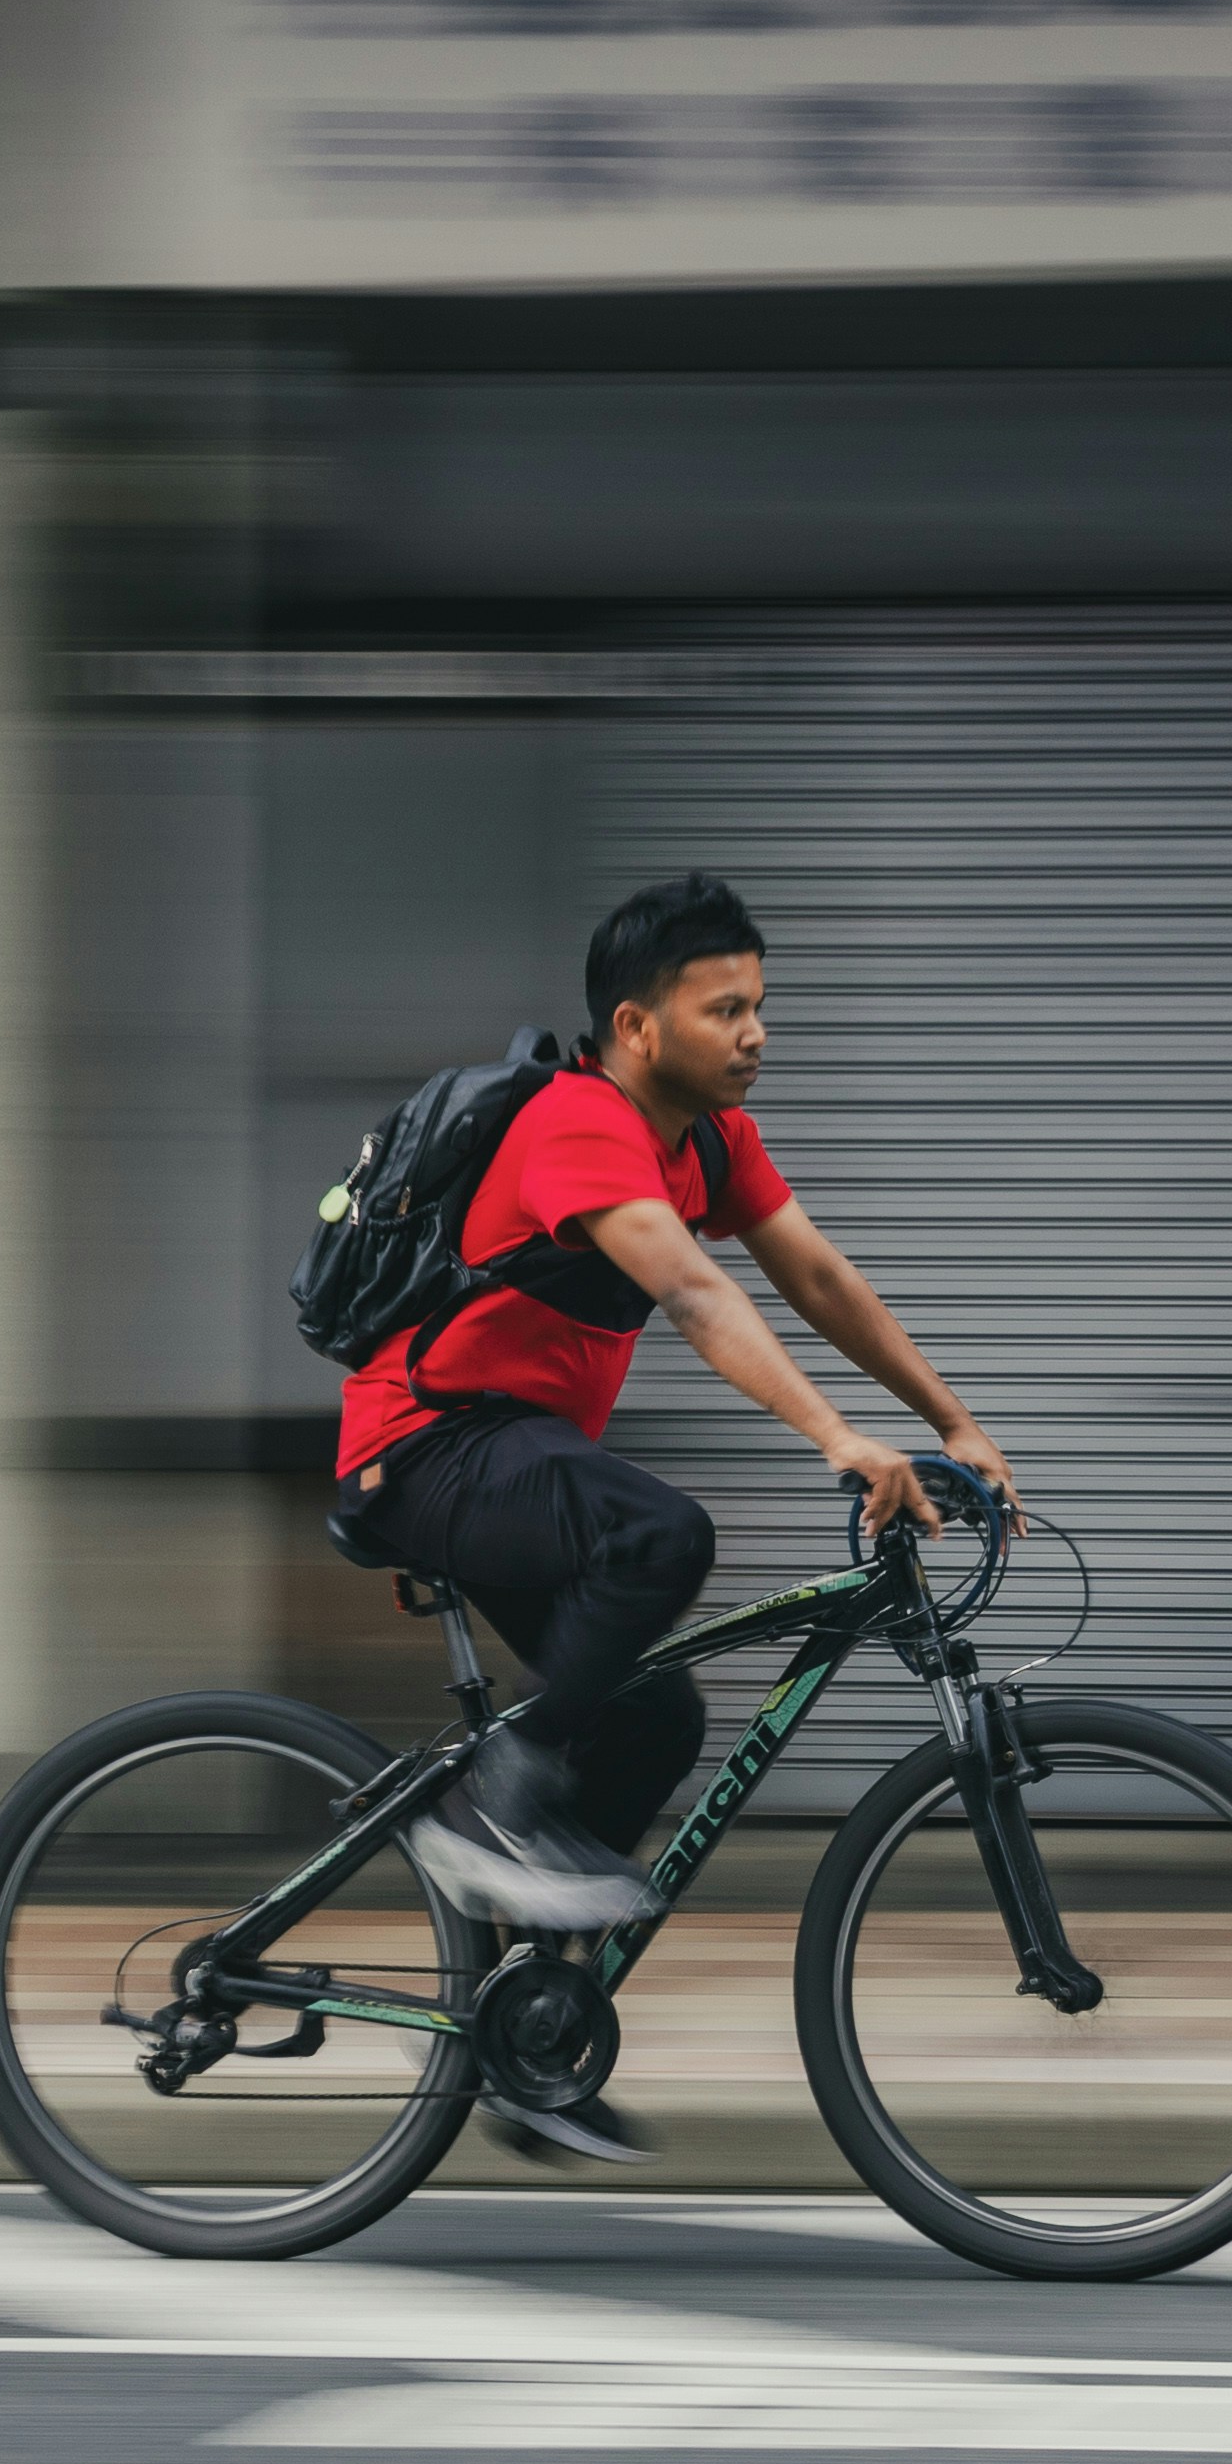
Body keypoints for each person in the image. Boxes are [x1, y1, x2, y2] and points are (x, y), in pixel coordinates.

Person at [331, 873, 1021, 2163]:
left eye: (761, 1006)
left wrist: (948, 1419)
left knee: (654, 1713)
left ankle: (524, 2034)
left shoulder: (706, 1139)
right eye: (726, 1010)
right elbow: (701, 1297)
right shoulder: (580, 1124)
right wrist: (836, 1439)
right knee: (661, 1537)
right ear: (638, 1026)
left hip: (505, 1463)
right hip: (432, 1446)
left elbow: (816, 1276)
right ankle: (494, 1807)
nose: (756, 1032)